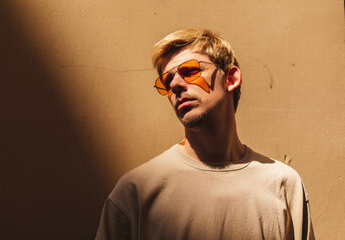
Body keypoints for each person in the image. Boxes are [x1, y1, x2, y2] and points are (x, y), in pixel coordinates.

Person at [96, 29, 314, 240]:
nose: (175, 85)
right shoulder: (136, 192)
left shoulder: (284, 185)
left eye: (190, 71)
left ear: (231, 78)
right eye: (166, 81)